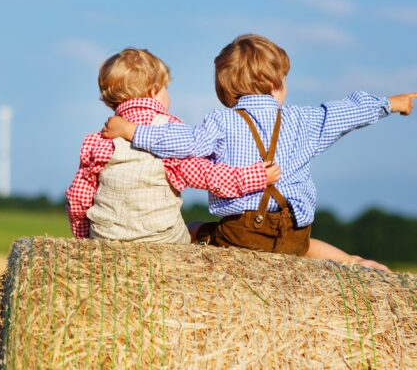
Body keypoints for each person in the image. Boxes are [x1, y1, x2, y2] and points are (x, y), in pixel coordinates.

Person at [102, 34, 417, 271]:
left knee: (195, 229)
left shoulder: (222, 121)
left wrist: (132, 131)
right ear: (276, 84)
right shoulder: (304, 120)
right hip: (295, 234)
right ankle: (353, 261)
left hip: (242, 234)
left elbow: (184, 144)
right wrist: (390, 103)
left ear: (225, 91)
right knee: (304, 248)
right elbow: (347, 113)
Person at [66, 47, 280, 244]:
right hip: (161, 239)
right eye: (166, 88)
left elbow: (79, 196)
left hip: (106, 238)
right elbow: (206, 175)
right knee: (193, 234)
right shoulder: (170, 132)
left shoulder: (99, 140)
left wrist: (84, 239)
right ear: (154, 91)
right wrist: (256, 177)